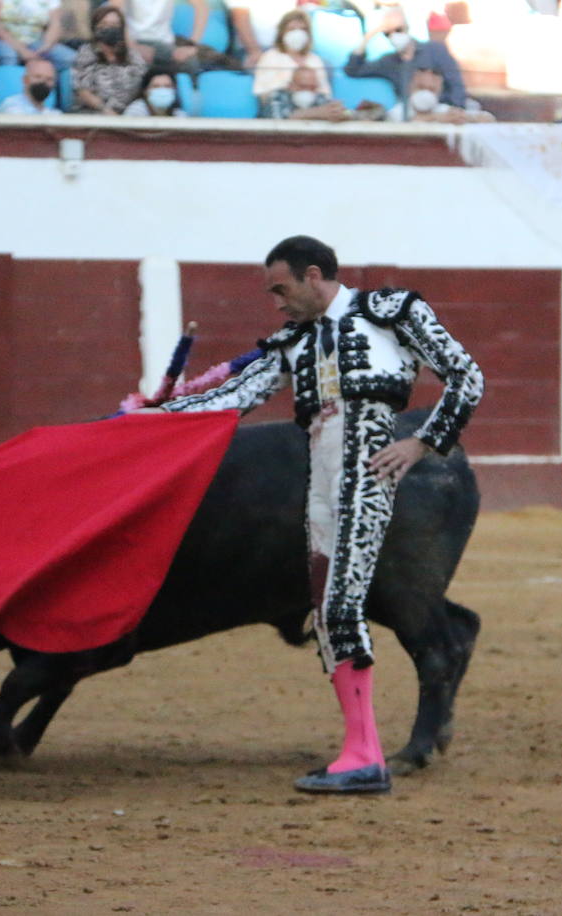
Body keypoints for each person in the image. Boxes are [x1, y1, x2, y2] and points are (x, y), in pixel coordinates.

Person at [158, 235, 484, 795]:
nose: (276, 304)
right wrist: (146, 420)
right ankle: (362, 753)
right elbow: (228, 399)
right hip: (321, 484)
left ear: (314, 276)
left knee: (339, 607)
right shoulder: (294, 343)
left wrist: (421, 444)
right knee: (328, 612)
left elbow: (466, 377)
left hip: (368, 472)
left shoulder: (390, 311)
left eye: (281, 290)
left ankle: (364, 757)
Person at [344, 5, 468, 109]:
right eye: (387, 33)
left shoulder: (434, 50)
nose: (394, 35)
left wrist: (456, 110)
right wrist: (369, 35)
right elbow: (353, 70)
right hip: (409, 115)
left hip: (441, 111)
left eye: (398, 29)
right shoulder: (388, 61)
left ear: (407, 27)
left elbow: (456, 84)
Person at [71, 5, 146, 114]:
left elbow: (143, 82)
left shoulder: (132, 55)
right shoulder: (86, 52)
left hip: (130, 113)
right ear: (95, 28)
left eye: (115, 25)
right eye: (104, 25)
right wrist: (106, 110)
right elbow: (82, 91)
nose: (110, 29)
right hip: (95, 112)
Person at [252, 8, 330, 102]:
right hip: (281, 108)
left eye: (302, 29)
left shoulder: (315, 60)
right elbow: (262, 95)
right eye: (292, 29)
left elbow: (325, 94)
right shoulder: (270, 57)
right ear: (282, 32)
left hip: (313, 109)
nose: (298, 33)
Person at [109, 0, 208, 68]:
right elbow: (114, 12)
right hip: (132, 41)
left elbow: (202, 8)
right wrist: (132, 47)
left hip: (163, 43)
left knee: (190, 64)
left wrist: (192, 45)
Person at [0, 0, 77, 71]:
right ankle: (8, 94)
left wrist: (46, 47)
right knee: (8, 56)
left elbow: (56, 24)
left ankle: (60, 96)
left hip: (35, 42)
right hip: (2, 40)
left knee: (69, 58)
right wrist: (22, 50)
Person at [389, 66, 493, 123]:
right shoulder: (398, 111)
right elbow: (406, 122)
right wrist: (438, 118)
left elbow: (488, 118)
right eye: (421, 87)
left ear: (439, 91)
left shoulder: (445, 110)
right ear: (409, 87)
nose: (426, 93)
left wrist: (466, 118)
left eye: (432, 89)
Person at [259, 63, 350, 120]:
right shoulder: (277, 96)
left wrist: (340, 114)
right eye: (302, 87)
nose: (308, 91)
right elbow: (277, 119)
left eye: (312, 88)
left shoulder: (320, 97)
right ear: (290, 85)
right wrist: (317, 113)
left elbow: (333, 111)